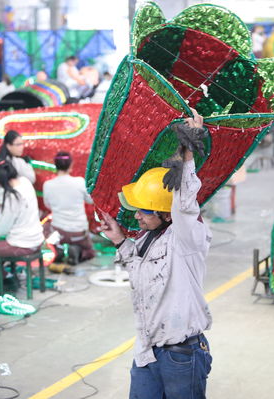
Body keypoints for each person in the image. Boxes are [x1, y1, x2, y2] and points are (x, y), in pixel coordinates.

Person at [100, 110, 213, 399]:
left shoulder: (187, 238)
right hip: (147, 351)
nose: (136, 216)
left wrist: (188, 157)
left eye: (143, 210)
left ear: (165, 212)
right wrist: (120, 240)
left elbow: (186, 205)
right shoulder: (148, 238)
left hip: (181, 355)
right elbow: (140, 271)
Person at [0, 160, 44, 289]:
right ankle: (5, 277)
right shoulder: (25, 182)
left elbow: (2, 228)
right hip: (37, 239)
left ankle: (6, 280)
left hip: (22, 244)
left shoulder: (13, 196)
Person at [43, 151, 96, 262]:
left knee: (45, 227)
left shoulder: (47, 185)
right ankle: (78, 250)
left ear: (56, 165)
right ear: (71, 165)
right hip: (78, 232)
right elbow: (91, 200)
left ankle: (58, 247)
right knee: (89, 251)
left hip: (58, 233)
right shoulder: (79, 182)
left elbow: (47, 205)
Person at [0, 130, 36, 207]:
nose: (22, 147)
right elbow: (32, 178)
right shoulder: (15, 162)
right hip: (16, 203)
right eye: (18, 144)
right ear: (8, 146)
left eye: (22, 144)